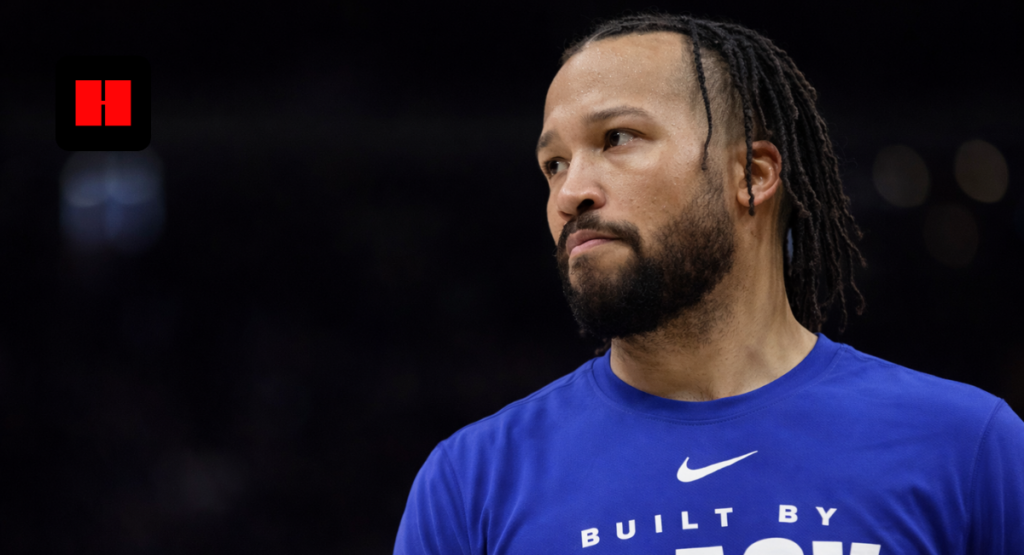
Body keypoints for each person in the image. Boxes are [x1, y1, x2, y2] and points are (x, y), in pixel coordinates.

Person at [394, 13, 1024, 555]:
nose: (568, 192)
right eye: (553, 163)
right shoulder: (470, 483)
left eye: (616, 138)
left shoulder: (969, 448)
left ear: (751, 173)